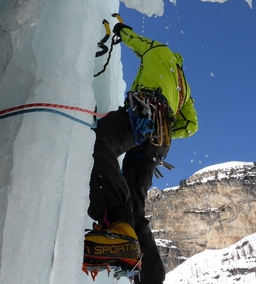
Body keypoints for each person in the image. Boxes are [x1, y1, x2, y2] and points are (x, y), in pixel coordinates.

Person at [84, 21, 198, 284]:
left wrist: (122, 30)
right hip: (158, 143)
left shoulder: (158, 50)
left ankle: (118, 226)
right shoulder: (183, 85)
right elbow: (191, 125)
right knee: (136, 203)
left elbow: (136, 42)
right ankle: (150, 278)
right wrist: (168, 127)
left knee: (101, 141)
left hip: (141, 117)